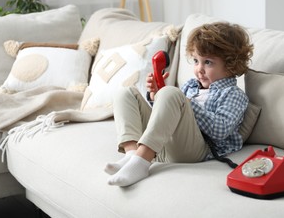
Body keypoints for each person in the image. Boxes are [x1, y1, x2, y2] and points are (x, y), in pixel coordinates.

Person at [104, 22, 254, 187]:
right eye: (196, 61)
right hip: (163, 145)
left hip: (197, 150)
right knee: (126, 93)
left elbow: (220, 130)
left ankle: (140, 163)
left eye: (208, 62)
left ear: (231, 65)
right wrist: (157, 97)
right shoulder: (191, 85)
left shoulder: (234, 95)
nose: (199, 69)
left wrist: (184, 102)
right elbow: (165, 120)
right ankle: (132, 154)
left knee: (171, 93)